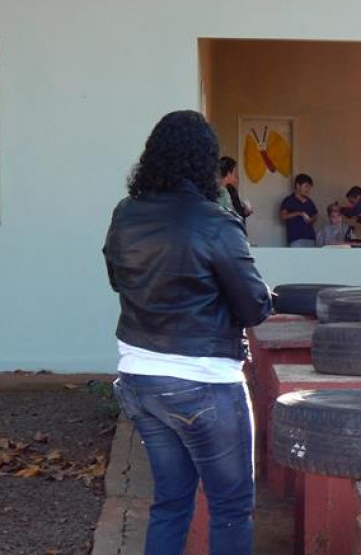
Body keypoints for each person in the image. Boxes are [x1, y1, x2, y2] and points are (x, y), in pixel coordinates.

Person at [102, 110, 273, 555]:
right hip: (204, 383)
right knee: (231, 507)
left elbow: (118, 279)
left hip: (140, 379)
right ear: (206, 163)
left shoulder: (125, 214)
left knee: (170, 504)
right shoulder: (215, 222)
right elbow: (254, 306)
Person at [280, 173, 318, 247]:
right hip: (295, 238)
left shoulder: (309, 201)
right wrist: (299, 213)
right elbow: (283, 216)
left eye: (309, 187)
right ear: (297, 186)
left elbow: (315, 214)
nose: (308, 190)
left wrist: (311, 219)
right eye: (306, 186)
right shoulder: (288, 200)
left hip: (310, 237)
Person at [219, 156, 253, 221]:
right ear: (229, 173)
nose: (236, 176)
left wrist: (245, 211)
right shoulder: (222, 192)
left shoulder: (231, 190)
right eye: (234, 173)